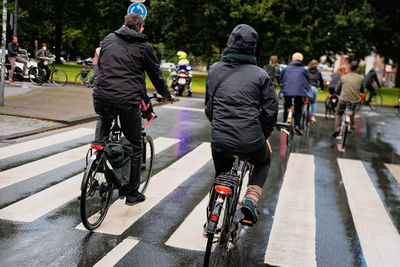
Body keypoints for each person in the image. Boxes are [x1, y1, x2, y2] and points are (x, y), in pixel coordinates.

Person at [93, 13, 173, 206]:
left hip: (101, 95)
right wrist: (166, 94)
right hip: (127, 101)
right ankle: (131, 193)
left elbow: (100, 64)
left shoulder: (108, 39)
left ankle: (96, 159)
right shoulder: (144, 47)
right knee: (136, 144)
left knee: (104, 119)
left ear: (123, 24)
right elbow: (156, 75)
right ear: (141, 29)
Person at [205, 24, 278, 224]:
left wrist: (219, 125)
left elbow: (209, 107)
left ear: (230, 43)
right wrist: (263, 134)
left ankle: (211, 214)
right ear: (253, 47)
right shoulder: (261, 75)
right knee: (264, 161)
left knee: (221, 175)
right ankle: (250, 200)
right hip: (251, 140)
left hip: (220, 139)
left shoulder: (214, 70)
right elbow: (270, 112)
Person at [279, 52, 312, 135]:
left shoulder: (286, 68)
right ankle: (297, 125)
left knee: (287, 105)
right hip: (299, 92)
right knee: (298, 109)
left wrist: (282, 89)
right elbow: (307, 82)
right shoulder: (304, 69)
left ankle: (284, 123)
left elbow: (281, 79)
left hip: (287, 91)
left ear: (292, 59)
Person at [332, 61, 365, 137]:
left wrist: (338, 92)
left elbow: (337, 89)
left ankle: (338, 128)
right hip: (355, 100)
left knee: (338, 113)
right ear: (357, 69)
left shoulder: (343, 77)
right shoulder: (360, 78)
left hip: (343, 100)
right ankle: (352, 125)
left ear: (350, 68)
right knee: (352, 111)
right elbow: (363, 90)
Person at [307, 59, 324, 123]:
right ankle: (313, 116)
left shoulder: (306, 71)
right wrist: (322, 88)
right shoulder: (318, 72)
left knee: (303, 101)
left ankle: (302, 111)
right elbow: (321, 82)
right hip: (314, 88)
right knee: (313, 102)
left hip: (306, 88)